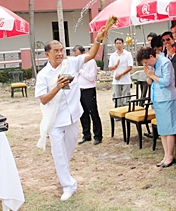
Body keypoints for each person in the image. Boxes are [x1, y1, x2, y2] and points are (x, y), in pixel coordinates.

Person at [35, 27, 108, 201]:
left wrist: (97, 40)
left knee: (68, 150)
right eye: (56, 51)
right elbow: (43, 99)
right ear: (47, 55)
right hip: (55, 120)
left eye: (61, 50)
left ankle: (63, 172)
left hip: (73, 116)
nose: (60, 54)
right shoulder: (43, 75)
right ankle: (68, 185)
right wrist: (57, 87)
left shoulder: (71, 63)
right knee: (58, 153)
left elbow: (90, 55)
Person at [136, 47, 176, 168]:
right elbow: (150, 82)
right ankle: (166, 155)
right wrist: (148, 75)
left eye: (146, 62)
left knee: (169, 128)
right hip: (157, 98)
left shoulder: (165, 62)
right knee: (162, 128)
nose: (146, 64)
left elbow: (166, 82)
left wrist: (152, 75)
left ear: (151, 56)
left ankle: (170, 155)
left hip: (168, 97)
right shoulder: (152, 65)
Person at [72, 45, 103, 146]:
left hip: (89, 89)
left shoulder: (91, 62)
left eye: (79, 55)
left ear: (84, 53)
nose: (77, 58)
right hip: (79, 90)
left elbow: (92, 77)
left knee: (93, 113)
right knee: (82, 113)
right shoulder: (76, 63)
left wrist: (80, 70)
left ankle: (98, 136)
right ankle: (86, 134)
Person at [108, 38, 133, 106]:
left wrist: (121, 74)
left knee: (126, 100)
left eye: (120, 43)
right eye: (117, 43)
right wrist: (115, 66)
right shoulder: (112, 55)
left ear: (123, 44)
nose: (118, 45)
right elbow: (110, 68)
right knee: (117, 99)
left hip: (125, 80)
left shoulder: (128, 54)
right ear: (115, 45)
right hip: (116, 80)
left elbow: (130, 67)